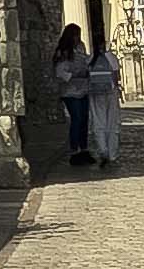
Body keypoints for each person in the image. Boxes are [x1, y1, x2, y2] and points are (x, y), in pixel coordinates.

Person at [52, 19, 93, 165]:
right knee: (76, 119)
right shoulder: (63, 52)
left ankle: (84, 148)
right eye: (75, 35)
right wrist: (75, 75)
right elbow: (59, 72)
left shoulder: (81, 48)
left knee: (84, 120)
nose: (77, 38)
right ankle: (74, 150)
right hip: (70, 91)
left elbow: (86, 62)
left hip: (83, 89)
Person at [87, 31, 124, 172]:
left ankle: (102, 150)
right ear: (104, 43)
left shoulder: (90, 58)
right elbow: (116, 76)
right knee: (112, 124)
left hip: (95, 94)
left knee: (98, 122)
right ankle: (112, 154)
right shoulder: (111, 58)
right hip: (110, 93)